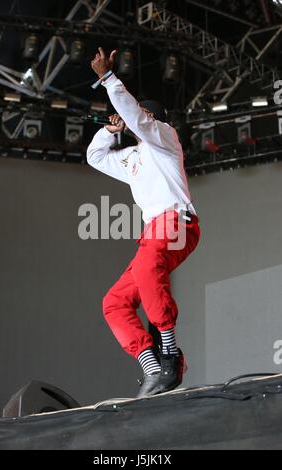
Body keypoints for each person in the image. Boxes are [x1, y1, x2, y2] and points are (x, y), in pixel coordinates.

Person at [88, 47, 201, 398]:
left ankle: (170, 351)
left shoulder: (165, 139)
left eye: (143, 114)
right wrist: (108, 131)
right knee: (114, 301)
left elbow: (138, 118)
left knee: (150, 260)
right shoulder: (132, 157)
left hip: (178, 223)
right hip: (154, 231)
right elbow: (95, 158)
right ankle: (153, 368)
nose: (135, 119)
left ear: (156, 118)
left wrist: (108, 79)